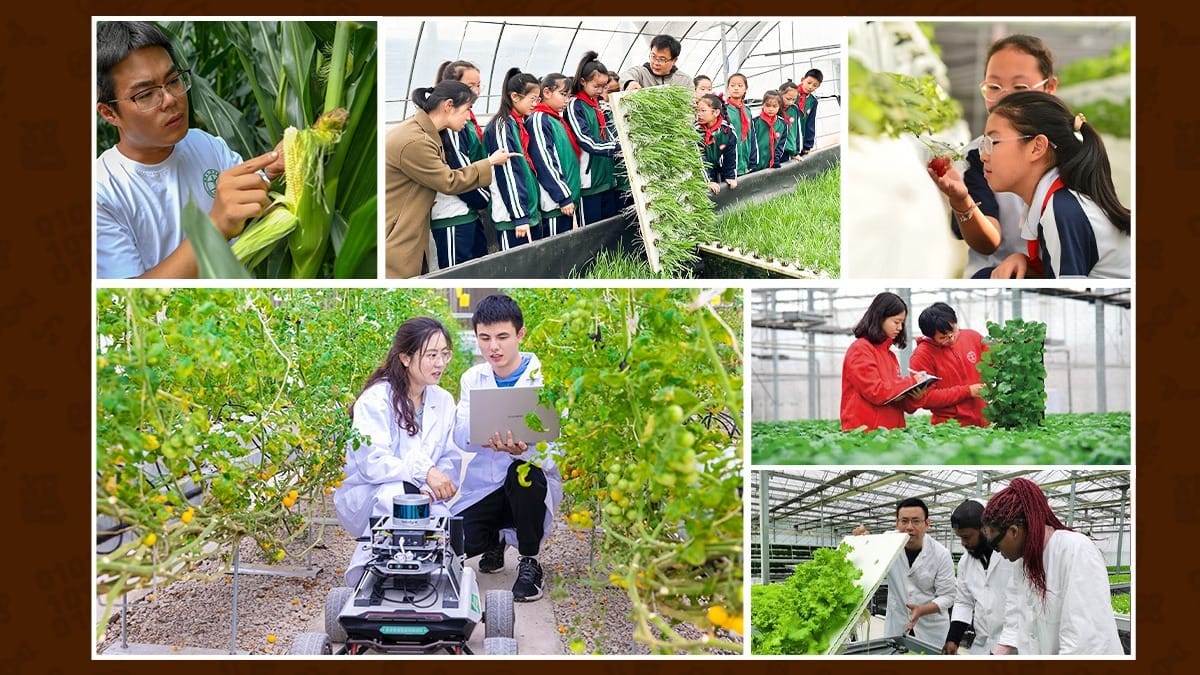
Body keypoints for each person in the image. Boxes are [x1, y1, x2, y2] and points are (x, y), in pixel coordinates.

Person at [95, 21, 284, 279]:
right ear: (109, 113)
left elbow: (244, 207)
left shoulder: (206, 144)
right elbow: (128, 299)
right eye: (146, 94)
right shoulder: (102, 192)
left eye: (173, 80)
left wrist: (272, 173)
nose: (171, 99)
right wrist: (214, 227)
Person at [334, 317, 463, 585]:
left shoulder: (443, 400)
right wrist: (424, 472)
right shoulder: (377, 399)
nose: (440, 363)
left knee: (448, 530)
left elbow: (449, 458)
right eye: (431, 355)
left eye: (444, 354)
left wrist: (430, 489)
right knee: (397, 496)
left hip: (423, 498)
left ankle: (422, 578)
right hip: (371, 496)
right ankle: (371, 573)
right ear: (405, 357)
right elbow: (374, 463)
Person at [451, 294, 563, 602]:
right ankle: (495, 542)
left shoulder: (545, 379)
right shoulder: (473, 378)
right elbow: (460, 436)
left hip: (527, 486)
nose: (493, 348)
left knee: (523, 474)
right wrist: (484, 435)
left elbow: (559, 449)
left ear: (520, 335)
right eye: (484, 338)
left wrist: (523, 451)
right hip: (485, 487)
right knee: (454, 542)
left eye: (502, 337)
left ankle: (529, 560)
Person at [927, 35, 1060, 279]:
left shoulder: (1074, 148)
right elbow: (989, 241)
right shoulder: (976, 156)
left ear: (1050, 88)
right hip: (996, 274)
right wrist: (961, 200)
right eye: (994, 87)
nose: (1005, 97)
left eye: (1020, 87)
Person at [983, 92, 1130, 279]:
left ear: (1037, 147)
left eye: (992, 142)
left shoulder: (1062, 211)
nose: (983, 155)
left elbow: (1071, 295)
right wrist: (1026, 263)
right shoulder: (1054, 203)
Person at [385, 81, 517, 278]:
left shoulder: (424, 132)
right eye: (467, 109)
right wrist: (489, 162)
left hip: (409, 227)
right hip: (398, 232)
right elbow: (448, 181)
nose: (469, 116)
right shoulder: (416, 141)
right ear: (448, 106)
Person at [983, 478, 1123, 654]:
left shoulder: (1074, 550)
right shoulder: (1022, 562)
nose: (997, 552)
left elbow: (1082, 645)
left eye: (995, 544)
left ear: (1013, 531)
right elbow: (1015, 617)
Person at [855, 498, 956, 646]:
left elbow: (948, 596)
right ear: (897, 523)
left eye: (916, 521)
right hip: (898, 623)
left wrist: (922, 610)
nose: (909, 527)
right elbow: (865, 560)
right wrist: (862, 542)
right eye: (904, 521)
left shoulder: (941, 554)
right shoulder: (887, 543)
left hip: (931, 628)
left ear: (927, 524)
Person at [840, 292, 931, 431]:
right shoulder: (860, 350)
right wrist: (911, 382)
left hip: (891, 433)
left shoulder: (890, 355)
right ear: (880, 318)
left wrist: (915, 397)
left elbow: (897, 399)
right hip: (865, 434)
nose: (900, 328)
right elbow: (876, 392)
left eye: (902, 322)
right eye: (896, 322)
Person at [430, 60, 491, 267]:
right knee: (458, 271)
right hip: (453, 213)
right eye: (470, 85)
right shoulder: (451, 124)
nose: (476, 91)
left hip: (468, 210)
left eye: (478, 85)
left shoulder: (466, 119)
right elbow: (459, 170)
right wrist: (483, 199)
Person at [942, 499, 1017, 655]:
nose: (963, 543)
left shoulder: (1012, 557)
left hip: (1013, 646)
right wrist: (953, 639)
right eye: (959, 537)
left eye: (967, 537)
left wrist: (1001, 650)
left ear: (985, 529)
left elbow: (1022, 608)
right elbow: (964, 601)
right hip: (982, 645)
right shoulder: (965, 562)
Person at [485, 69, 545, 249]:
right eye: (532, 99)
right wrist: (520, 216)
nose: (535, 104)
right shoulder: (502, 126)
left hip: (526, 213)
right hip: (513, 219)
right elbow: (509, 172)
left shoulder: (517, 123)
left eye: (538, 99)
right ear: (515, 97)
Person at [909, 302, 988, 427]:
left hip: (984, 422)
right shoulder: (922, 356)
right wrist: (967, 391)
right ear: (930, 336)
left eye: (953, 331)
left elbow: (996, 360)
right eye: (943, 337)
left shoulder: (972, 337)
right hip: (950, 427)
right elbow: (927, 398)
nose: (951, 339)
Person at [567, 53, 621, 225]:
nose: (601, 91)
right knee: (591, 235)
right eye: (596, 86)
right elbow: (585, 139)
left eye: (603, 87)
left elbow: (606, 132)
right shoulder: (575, 104)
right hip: (589, 182)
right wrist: (616, 147)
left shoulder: (597, 104)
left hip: (607, 179)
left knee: (609, 232)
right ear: (583, 81)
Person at [526, 73, 582, 237]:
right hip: (554, 203)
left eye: (569, 96)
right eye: (563, 94)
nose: (566, 100)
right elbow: (544, 160)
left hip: (564, 201)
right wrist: (562, 196)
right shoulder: (539, 119)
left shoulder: (555, 119)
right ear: (547, 93)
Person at [696, 93, 738, 195]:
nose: (699, 114)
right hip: (698, 172)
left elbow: (731, 155)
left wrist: (730, 176)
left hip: (716, 168)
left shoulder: (727, 131)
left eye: (703, 110)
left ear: (716, 112)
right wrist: (708, 181)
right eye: (697, 110)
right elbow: (699, 159)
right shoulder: (695, 132)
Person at [619, 34, 693, 90]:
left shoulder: (684, 81)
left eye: (662, 59)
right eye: (653, 57)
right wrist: (630, 82)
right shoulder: (641, 73)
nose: (656, 63)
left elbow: (690, 106)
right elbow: (625, 76)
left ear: (674, 60)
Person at [723, 73, 757, 176]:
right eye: (732, 85)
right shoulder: (724, 109)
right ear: (728, 88)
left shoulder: (747, 110)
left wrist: (753, 160)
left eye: (740, 85)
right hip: (731, 162)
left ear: (746, 88)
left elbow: (751, 136)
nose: (736, 88)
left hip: (745, 160)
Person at [750, 89, 787, 171]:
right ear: (763, 104)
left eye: (774, 106)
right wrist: (752, 162)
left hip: (772, 163)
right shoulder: (755, 122)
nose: (771, 109)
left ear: (779, 106)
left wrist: (776, 159)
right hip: (756, 164)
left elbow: (781, 144)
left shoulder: (782, 124)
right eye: (768, 105)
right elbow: (751, 144)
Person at [796, 69, 823, 156]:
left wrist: (808, 145)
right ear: (802, 79)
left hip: (801, 138)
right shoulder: (791, 94)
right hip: (787, 137)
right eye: (809, 82)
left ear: (818, 86)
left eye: (815, 85)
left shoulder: (813, 101)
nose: (810, 87)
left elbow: (811, 123)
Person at [778, 80, 801, 163]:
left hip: (789, 149)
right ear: (780, 94)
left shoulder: (794, 109)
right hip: (775, 150)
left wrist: (796, 152)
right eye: (788, 99)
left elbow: (796, 131)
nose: (791, 102)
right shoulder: (773, 109)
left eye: (793, 99)